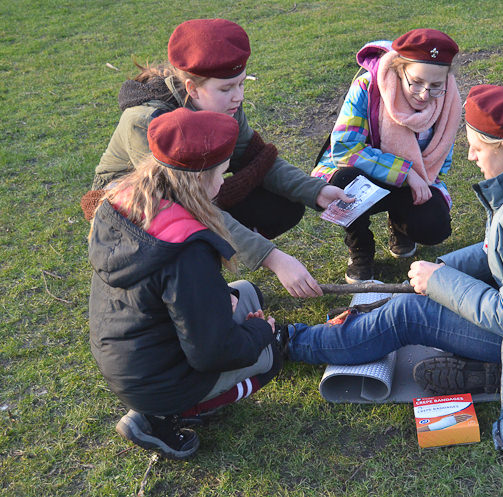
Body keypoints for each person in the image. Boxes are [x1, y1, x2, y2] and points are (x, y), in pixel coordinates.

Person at [286, 85, 503, 450]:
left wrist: (440, 281)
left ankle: (291, 342)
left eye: (476, 146)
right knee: (417, 297)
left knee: (408, 313)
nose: (471, 156)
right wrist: (438, 270)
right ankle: (493, 371)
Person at [82, 18, 351, 298]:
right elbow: (185, 205)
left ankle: (206, 265)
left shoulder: (226, 106)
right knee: (187, 225)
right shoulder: (147, 123)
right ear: (192, 88)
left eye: (241, 84)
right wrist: (274, 259)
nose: (238, 97)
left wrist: (317, 191)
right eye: (227, 89)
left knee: (283, 204)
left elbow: (254, 158)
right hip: (133, 212)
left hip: (192, 194)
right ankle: (187, 281)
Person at [88, 108, 286, 459]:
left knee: (247, 293)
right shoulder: (187, 251)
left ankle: (159, 403)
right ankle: (164, 416)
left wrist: (219, 299)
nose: (224, 183)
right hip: (156, 380)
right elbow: (211, 352)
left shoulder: (124, 201)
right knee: (269, 358)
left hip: (126, 354)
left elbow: (159, 294)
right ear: (197, 179)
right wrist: (261, 334)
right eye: (221, 174)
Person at [311, 29, 462, 283]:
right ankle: (360, 246)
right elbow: (345, 148)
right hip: (365, 175)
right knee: (343, 182)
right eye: (416, 82)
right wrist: (405, 174)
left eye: (436, 86)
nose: (425, 95)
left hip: (414, 179)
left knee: (434, 225)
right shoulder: (368, 87)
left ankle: (401, 224)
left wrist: (416, 179)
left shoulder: (448, 101)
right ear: (399, 69)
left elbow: (441, 162)